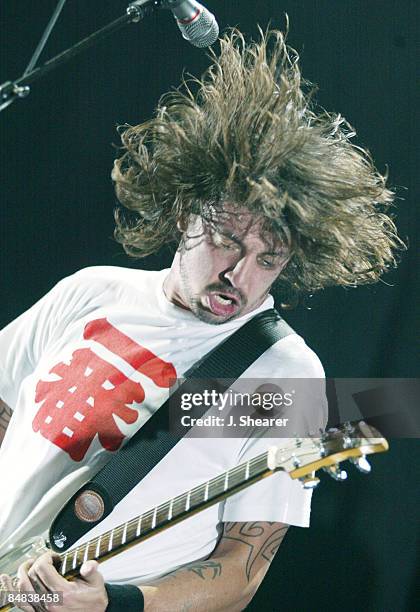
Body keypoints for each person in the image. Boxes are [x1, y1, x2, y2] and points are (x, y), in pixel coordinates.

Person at [0, 28, 402, 611]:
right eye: (225, 241)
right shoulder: (91, 291)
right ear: (188, 212)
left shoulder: (286, 377)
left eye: (269, 259)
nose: (239, 275)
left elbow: (239, 572)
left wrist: (114, 602)